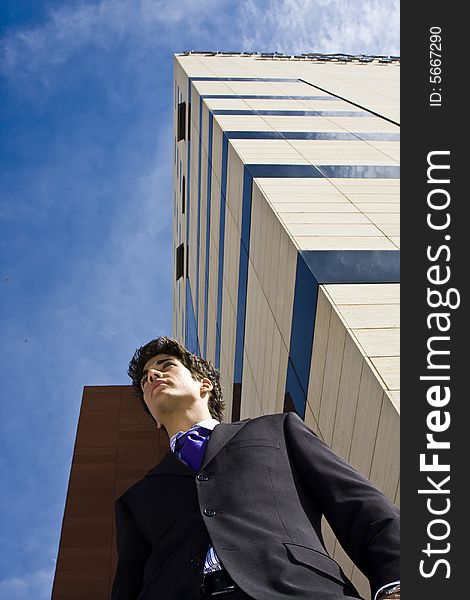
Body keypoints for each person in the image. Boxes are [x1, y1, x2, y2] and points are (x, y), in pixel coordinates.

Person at [111, 336, 400, 600]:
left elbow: (360, 506)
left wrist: (396, 583)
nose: (153, 375)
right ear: (153, 416)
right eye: (146, 379)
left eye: (166, 366)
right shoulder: (135, 499)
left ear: (204, 385)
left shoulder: (278, 430)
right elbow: (128, 586)